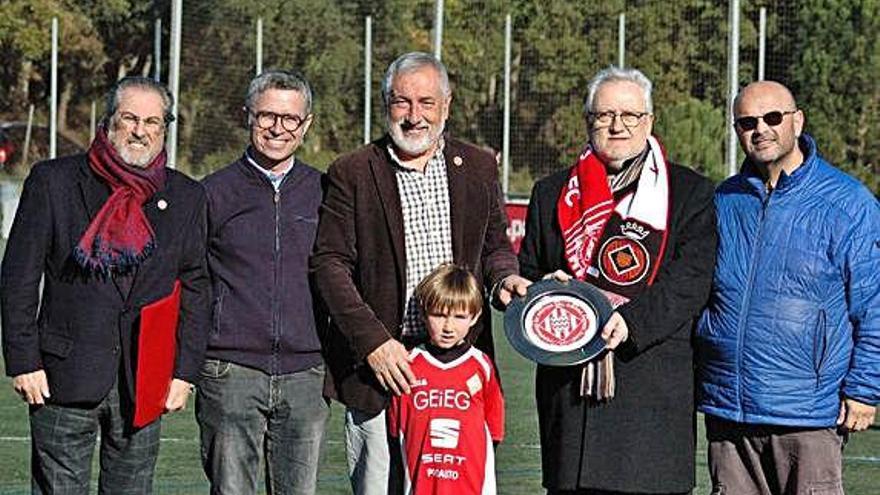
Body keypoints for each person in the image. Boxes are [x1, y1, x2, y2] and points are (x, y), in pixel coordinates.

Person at [309, 51, 529, 495]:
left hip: (458, 368)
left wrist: (506, 278)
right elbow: (329, 265)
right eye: (402, 103)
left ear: (446, 106)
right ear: (386, 104)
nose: (414, 117)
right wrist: (373, 343)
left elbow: (494, 247)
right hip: (382, 370)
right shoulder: (351, 171)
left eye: (426, 103)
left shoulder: (480, 166)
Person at [1, 76, 209, 494]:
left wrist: (184, 372)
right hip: (62, 376)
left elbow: (196, 286)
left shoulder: (186, 196)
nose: (140, 130)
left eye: (153, 121)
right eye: (130, 118)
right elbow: (19, 277)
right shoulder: (52, 182)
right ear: (109, 122)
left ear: (164, 128)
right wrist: (24, 361)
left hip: (144, 383)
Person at [518, 67, 717, 494]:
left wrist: (629, 322)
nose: (617, 125)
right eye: (604, 114)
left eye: (630, 115)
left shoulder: (689, 192)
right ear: (588, 120)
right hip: (571, 400)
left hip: (649, 392)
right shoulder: (552, 192)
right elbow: (528, 272)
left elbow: (690, 282)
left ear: (649, 122)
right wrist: (546, 292)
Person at [696, 80, 880, 495]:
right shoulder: (724, 200)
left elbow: (873, 305)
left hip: (807, 413)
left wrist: (864, 389)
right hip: (729, 408)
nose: (760, 129)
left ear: (797, 121)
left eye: (772, 118)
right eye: (747, 122)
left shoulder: (849, 203)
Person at [196, 69, 328, 495]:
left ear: (305, 125)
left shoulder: (326, 192)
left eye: (290, 119)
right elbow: (192, 281)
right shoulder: (212, 192)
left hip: (306, 373)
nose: (278, 128)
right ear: (247, 117)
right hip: (230, 372)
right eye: (266, 116)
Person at [388, 263, 505, 495]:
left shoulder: (481, 365)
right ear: (423, 313)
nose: (449, 327)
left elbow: (494, 428)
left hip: (469, 483)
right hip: (420, 483)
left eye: (460, 316)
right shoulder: (409, 363)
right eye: (439, 315)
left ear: (475, 317)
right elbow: (395, 427)